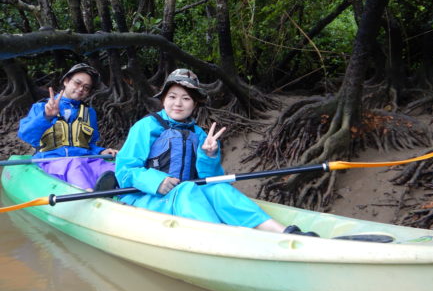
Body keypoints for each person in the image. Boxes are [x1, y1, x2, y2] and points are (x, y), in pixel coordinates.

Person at [115, 68, 317, 236]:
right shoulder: (146, 127)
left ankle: (283, 232)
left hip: (186, 197)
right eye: (172, 97)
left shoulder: (201, 135)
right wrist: (155, 181)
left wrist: (209, 156)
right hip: (147, 198)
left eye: (186, 98)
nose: (178, 103)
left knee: (218, 189)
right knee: (186, 190)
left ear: (194, 104)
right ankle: (223, 239)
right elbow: (125, 171)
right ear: (163, 100)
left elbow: (212, 179)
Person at [18, 63, 118, 190]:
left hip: (85, 160)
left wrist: (100, 151)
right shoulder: (41, 107)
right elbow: (25, 135)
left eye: (86, 88)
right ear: (66, 81)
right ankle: (87, 195)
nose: (81, 89)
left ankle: (126, 197)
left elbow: (89, 144)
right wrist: (46, 116)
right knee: (75, 164)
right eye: (77, 83)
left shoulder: (89, 113)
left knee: (116, 167)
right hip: (52, 161)